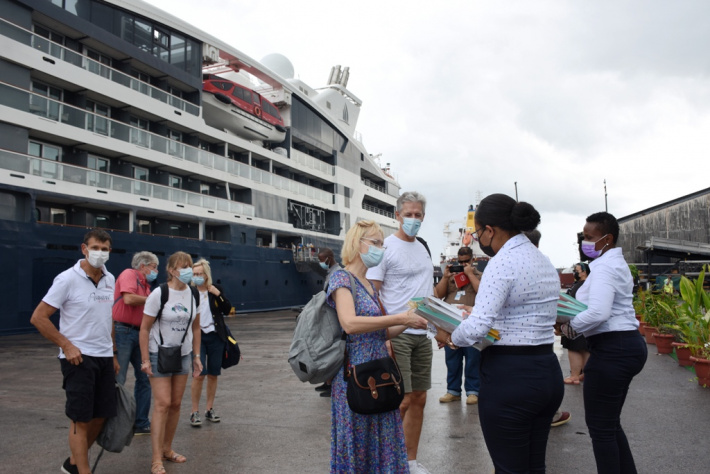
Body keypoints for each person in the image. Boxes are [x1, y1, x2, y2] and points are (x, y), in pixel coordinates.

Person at [433, 194, 564, 473]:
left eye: (478, 232)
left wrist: (450, 337)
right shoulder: (543, 260)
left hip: (510, 377)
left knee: (509, 467)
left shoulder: (502, 263)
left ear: (489, 230)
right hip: (546, 371)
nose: (479, 238)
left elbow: (479, 327)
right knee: (534, 465)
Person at [327, 220, 428, 473]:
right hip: (355, 373)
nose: (380, 249)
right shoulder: (342, 278)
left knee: (381, 436)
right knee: (359, 439)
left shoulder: (370, 284)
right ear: (356, 243)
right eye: (375, 243)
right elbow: (349, 323)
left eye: (382, 244)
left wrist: (411, 319)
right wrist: (399, 317)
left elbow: (382, 332)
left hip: (378, 370)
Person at [563, 212, 647, 474]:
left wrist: (568, 325)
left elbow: (599, 312)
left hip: (613, 349)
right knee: (609, 425)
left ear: (607, 239)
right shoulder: (611, 264)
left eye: (589, 238)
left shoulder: (604, 268)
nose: (584, 243)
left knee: (600, 428)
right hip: (622, 346)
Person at [30, 229, 118, 474]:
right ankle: (84, 470)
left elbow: (108, 319)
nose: (99, 253)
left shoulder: (111, 279)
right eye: (95, 248)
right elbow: (39, 317)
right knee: (80, 419)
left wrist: (113, 352)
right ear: (84, 249)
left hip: (103, 357)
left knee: (101, 416)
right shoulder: (67, 279)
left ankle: (73, 463)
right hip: (78, 358)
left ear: (110, 251)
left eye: (104, 249)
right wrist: (66, 345)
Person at [367, 191, 434, 474]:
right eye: (408, 214)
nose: (413, 219)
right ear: (397, 215)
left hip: (423, 333)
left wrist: (440, 328)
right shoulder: (387, 248)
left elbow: (427, 294)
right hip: (398, 333)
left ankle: (410, 462)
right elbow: (373, 294)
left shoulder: (423, 248)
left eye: (418, 215)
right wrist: (386, 336)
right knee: (400, 400)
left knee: (419, 398)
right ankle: (389, 463)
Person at [140, 251, 202, 474]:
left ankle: (167, 449)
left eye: (189, 265)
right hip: (159, 352)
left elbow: (196, 327)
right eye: (182, 266)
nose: (186, 269)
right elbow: (144, 328)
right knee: (162, 403)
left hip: (183, 354)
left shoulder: (194, 294)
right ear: (171, 270)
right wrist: (145, 359)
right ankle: (156, 458)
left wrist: (196, 357)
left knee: (176, 404)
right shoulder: (159, 293)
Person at [524, 229, 572, 428]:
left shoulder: (511, 262)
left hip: (517, 333)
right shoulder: (546, 264)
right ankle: (550, 414)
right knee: (542, 376)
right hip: (541, 333)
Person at [113, 251, 159, 436]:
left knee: (145, 377)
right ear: (143, 266)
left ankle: (140, 422)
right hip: (123, 331)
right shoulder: (129, 275)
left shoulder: (146, 285)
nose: (155, 271)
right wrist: (153, 299)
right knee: (119, 377)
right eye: (154, 267)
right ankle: (113, 422)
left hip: (139, 333)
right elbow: (128, 298)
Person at [433, 247, 481, 405]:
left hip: (471, 324)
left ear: (472, 260)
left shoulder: (479, 276)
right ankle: (452, 390)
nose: (463, 264)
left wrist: (469, 274)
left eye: (466, 261)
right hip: (451, 326)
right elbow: (438, 295)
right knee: (452, 358)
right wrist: (446, 278)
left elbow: (482, 293)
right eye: (460, 262)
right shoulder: (452, 277)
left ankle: (473, 391)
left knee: (473, 358)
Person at [190, 259, 232, 425]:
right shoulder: (190, 292)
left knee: (214, 374)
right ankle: (194, 411)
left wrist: (218, 294)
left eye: (200, 274)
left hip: (215, 336)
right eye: (194, 274)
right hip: (198, 336)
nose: (197, 277)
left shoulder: (216, 290)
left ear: (206, 275)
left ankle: (209, 409)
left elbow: (227, 309)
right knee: (199, 374)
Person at [315, 247, 342, 397]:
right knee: (328, 349)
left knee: (334, 351)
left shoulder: (337, 274)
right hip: (330, 317)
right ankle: (328, 382)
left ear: (329, 259)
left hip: (336, 318)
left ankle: (332, 385)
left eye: (321, 260)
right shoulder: (330, 273)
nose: (320, 263)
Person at [562, 262, 591, 385]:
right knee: (583, 348)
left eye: (577, 270)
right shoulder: (584, 284)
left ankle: (575, 376)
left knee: (575, 348)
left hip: (577, 321)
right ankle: (585, 374)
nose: (574, 272)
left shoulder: (583, 286)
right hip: (583, 322)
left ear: (584, 272)